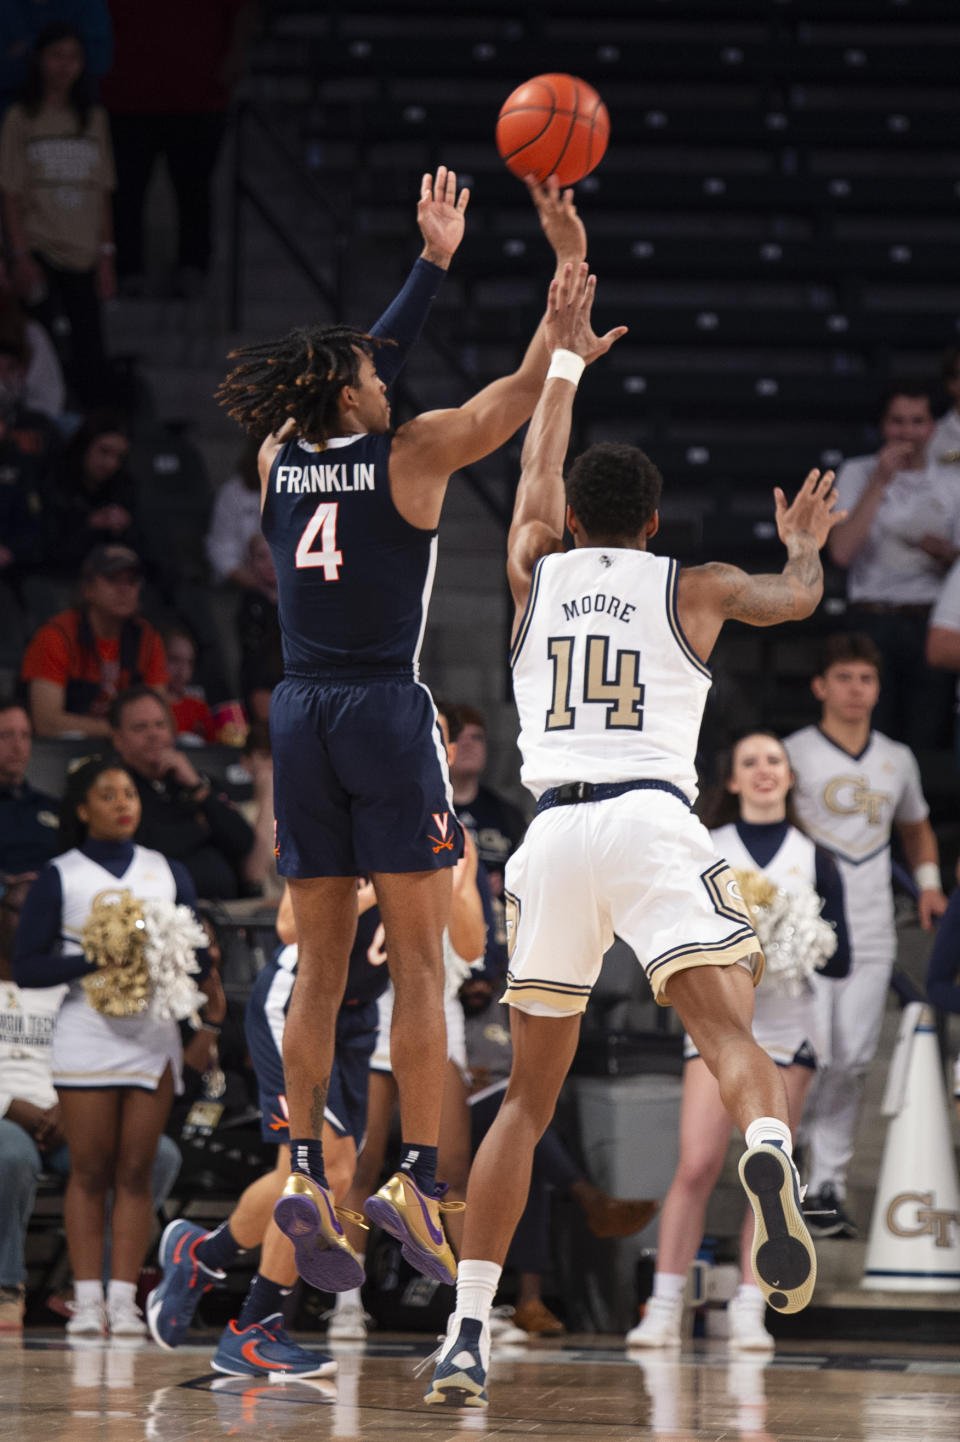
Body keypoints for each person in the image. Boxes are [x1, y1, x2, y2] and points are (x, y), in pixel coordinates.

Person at [426, 262, 834, 1409]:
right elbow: (797, 599)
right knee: (728, 1024)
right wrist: (801, 544)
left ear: (576, 521)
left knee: (524, 1097)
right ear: (652, 524)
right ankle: (768, 1146)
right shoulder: (694, 584)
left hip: (551, 836)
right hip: (654, 819)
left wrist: (562, 356)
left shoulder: (533, 568)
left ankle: (467, 1328)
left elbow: (536, 469)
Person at [216, 168, 588, 1294]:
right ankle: (419, 1175)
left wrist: (431, 266)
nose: (391, 370)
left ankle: (295, 1161)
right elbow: (519, 394)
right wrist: (561, 307)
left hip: (297, 714)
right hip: (381, 706)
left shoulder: (282, 457)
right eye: (376, 371)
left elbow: (338, 370)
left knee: (320, 963)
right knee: (420, 961)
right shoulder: (413, 452)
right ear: (357, 396)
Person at [626, 731, 850, 1353]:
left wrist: (794, 936)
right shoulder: (705, 847)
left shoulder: (816, 856)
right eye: (748, 761)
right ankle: (664, 1305)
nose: (762, 771)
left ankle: (752, 1307)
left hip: (789, 1027)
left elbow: (841, 960)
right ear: (730, 779)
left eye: (773, 761)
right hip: (717, 1024)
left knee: (770, 1170)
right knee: (697, 1164)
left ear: (788, 776)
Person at [144, 882, 387, 1378]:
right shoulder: (349, 819)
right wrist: (372, 892)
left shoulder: (447, 835)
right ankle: (255, 1329)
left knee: (302, 1177)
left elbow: (468, 946)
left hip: (360, 1015)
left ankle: (202, 1253)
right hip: (299, 999)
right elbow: (288, 927)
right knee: (328, 1170)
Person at [12, 755, 211, 1337]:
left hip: (152, 1038)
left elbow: (193, 954)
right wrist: (95, 959)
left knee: (137, 1171)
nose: (123, 803)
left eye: (129, 792)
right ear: (81, 808)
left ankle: (124, 1299)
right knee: (89, 1171)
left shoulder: (167, 871)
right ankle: (87, 1299)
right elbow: (27, 967)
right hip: (87, 1035)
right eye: (107, 795)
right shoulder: (60, 875)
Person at [328, 701, 489, 1340]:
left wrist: (450, 876)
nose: (436, 747)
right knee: (362, 1163)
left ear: (448, 753)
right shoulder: (362, 820)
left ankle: (470, 1307)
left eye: (443, 740)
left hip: (435, 1013)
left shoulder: (460, 836)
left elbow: (474, 947)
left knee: (452, 1165)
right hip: (371, 1014)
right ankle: (344, 1300)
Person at [784, 633, 948, 1237]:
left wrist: (928, 883)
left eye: (867, 679)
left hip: (874, 921)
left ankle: (828, 1181)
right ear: (821, 686)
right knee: (808, 1054)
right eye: (845, 678)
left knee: (852, 1058)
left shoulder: (896, 758)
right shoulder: (793, 753)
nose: (857, 690)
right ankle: (789, 1162)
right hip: (804, 924)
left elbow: (917, 828)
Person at [828, 383, 960, 748]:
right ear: (883, 426)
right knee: (869, 732)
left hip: (932, 622)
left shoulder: (952, 480)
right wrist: (880, 481)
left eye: (918, 421)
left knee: (929, 736)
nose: (908, 431)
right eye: (898, 421)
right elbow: (840, 552)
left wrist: (944, 553)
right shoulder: (857, 473)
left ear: (933, 427)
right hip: (873, 618)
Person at [101, 0, 256, 296]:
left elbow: (244, 9)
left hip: (197, 93)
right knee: (126, 189)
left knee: (193, 187)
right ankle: (127, 268)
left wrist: (235, 57)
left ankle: (193, 265)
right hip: (126, 93)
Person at [0, 22, 115, 406]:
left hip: (83, 250)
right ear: (40, 60)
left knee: (90, 349)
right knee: (42, 343)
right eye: (57, 56)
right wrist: (19, 254)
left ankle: (91, 426)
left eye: (74, 58)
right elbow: (10, 191)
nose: (65, 66)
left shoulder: (92, 119)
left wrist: (106, 255)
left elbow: (102, 191)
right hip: (40, 247)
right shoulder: (20, 118)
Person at [109, 685, 258, 900]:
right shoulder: (115, 791)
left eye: (160, 725)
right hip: (157, 910)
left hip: (227, 910)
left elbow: (243, 842)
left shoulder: (197, 782)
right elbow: (148, 849)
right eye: (140, 728)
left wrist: (198, 789)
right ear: (118, 739)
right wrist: (201, 830)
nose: (153, 734)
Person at [21, 543, 168, 738]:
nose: (124, 589)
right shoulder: (57, 635)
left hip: (128, 754)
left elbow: (162, 719)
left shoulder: (147, 638)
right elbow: (47, 722)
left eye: (131, 581)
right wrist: (126, 731)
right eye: (113, 580)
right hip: (63, 757)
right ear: (87, 588)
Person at [164, 626, 217, 745]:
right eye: (174, 660)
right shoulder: (148, 707)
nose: (183, 670)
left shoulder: (199, 708)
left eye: (189, 662)